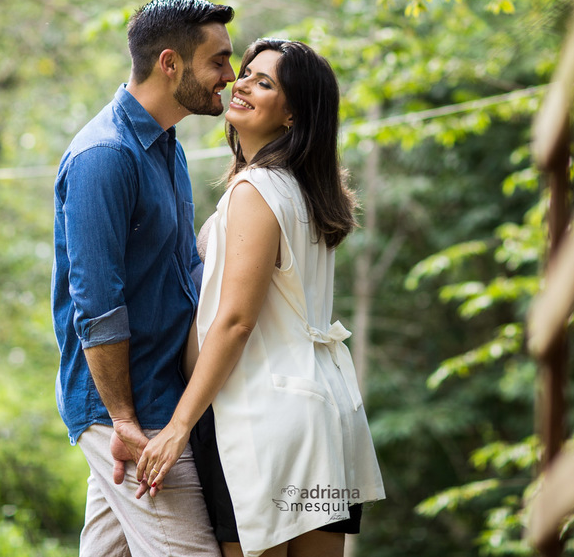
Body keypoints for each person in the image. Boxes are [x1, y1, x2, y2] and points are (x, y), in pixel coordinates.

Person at [132, 39, 385, 557]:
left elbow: (235, 321)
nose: (241, 83)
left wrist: (179, 426)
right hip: (324, 417)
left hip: (262, 420)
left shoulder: (257, 189)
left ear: (293, 114)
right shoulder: (305, 191)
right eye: (245, 73)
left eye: (264, 82)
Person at [51, 0, 236, 557]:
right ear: (170, 63)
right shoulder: (104, 156)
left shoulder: (164, 146)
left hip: (159, 395)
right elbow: (98, 306)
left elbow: (181, 271)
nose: (230, 76)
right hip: (135, 412)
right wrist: (125, 420)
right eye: (219, 61)